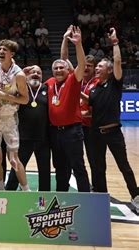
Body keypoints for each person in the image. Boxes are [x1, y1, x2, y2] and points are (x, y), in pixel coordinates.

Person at [88, 28, 139, 210]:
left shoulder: (115, 84)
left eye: (100, 66)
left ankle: (136, 196)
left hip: (113, 132)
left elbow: (117, 60)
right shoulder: (93, 89)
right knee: (98, 168)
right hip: (96, 134)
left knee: (124, 166)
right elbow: (89, 103)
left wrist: (115, 42)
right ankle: (101, 198)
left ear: (109, 70)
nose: (97, 68)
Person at [45, 25, 90, 192]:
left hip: (72, 131)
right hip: (54, 132)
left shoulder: (73, 80)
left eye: (61, 67)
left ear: (68, 69)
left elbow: (82, 63)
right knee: (60, 168)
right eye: (55, 68)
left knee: (78, 166)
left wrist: (77, 44)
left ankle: (86, 198)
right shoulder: (49, 83)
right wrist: (64, 39)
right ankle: (62, 198)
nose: (58, 70)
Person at [0, 39, 30, 191]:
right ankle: (0, 188)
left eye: (5, 50)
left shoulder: (19, 75)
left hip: (10, 119)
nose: (1, 52)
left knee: (13, 159)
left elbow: (25, 99)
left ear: (12, 54)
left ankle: (26, 190)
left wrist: (4, 96)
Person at [61, 28, 99, 190]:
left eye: (90, 66)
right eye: (85, 65)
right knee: (71, 160)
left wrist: (79, 93)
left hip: (90, 126)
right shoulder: (76, 76)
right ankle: (68, 188)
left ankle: (95, 188)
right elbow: (63, 59)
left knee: (92, 160)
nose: (86, 68)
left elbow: (94, 105)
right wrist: (65, 39)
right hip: (76, 124)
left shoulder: (97, 82)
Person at [5, 65, 51, 191]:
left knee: (45, 172)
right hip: (24, 138)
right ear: (27, 76)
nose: (36, 74)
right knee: (17, 169)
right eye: (32, 72)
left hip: (43, 139)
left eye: (39, 72)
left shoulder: (47, 89)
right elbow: (7, 88)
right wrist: (21, 74)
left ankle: (43, 200)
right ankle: (9, 194)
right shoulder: (21, 90)